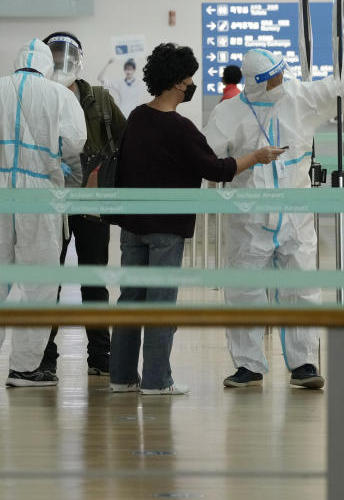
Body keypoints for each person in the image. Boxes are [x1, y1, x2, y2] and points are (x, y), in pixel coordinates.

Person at [109, 43, 286, 396]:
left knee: (129, 301)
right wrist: (257, 156)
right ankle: (158, 381)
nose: (192, 84)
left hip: (131, 227)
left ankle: (122, 377)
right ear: (177, 83)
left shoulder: (138, 118)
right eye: (190, 78)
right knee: (161, 305)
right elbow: (218, 169)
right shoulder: (180, 127)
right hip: (166, 229)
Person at [205, 47, 344, 390]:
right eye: (273, 79)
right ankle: (248, 365)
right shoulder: (228, 113)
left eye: (282, 74)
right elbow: (208, 155)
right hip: (249, 217)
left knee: (302, 287)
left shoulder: (301, 98)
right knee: (244, 290)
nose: (281, 82)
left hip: (295, 215)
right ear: (255, 85)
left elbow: (341, 87)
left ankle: (304, 364)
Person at [0, 39, 87, 387]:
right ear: (48, 66)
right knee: (39, 282)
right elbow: (76, 141)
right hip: (40, 194)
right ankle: (25, 368)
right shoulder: (60, 94)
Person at [39, 31, 126, 377]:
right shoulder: (37, 95)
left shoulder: (100, 99)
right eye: (55, 55)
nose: (62, 61)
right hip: (50, 200)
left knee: (93, 278)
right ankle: (45, 354)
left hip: (91, 199)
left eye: (67, 55)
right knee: (50, 280)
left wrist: (107, 176)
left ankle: (100, 355)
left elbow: (125, 138)